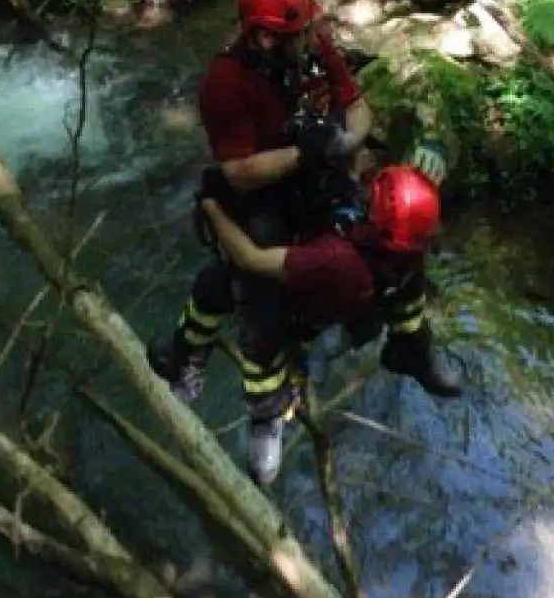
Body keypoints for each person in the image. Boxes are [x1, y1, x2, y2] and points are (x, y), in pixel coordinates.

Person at [150, 0, 373, 400]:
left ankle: (307, 347)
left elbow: (360, 109)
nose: (316, 37)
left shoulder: (312, 50)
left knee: (356, 251)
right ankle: (206, 366)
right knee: (255, 291)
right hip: (259, 192)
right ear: (267, 38)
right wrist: (304, 152)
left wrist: (337, 142)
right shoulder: (226, 83)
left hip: (308, 180)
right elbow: (239, 171)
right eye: (304, 31)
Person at [183, 162, 464, 484]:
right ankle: (264, 415)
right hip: (322, 311)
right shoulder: (359, 255)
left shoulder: (365, 255)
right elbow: (253, 259)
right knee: (254, 325)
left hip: (338, 306)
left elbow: (252, 258)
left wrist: (211, 207)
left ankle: (413, 355)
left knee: (409, 298)